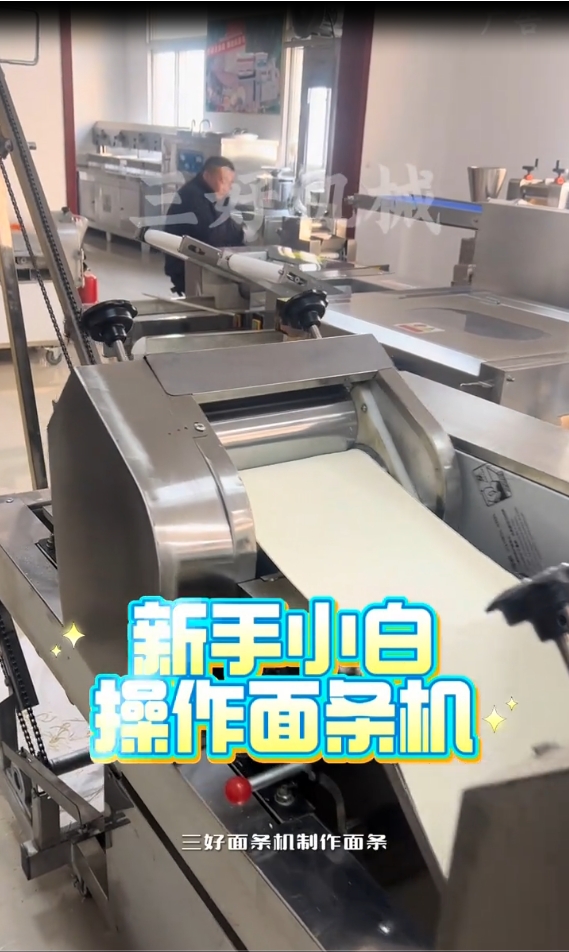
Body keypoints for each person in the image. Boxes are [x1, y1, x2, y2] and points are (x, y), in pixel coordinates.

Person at [163, 156, 245, 295]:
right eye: (223, 181)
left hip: (197, 261)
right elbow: (211, 236)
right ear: (207, 176)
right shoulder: (193, 197)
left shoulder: (206, 194)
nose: (227, 187)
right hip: (186, 266)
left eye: (230, 183)